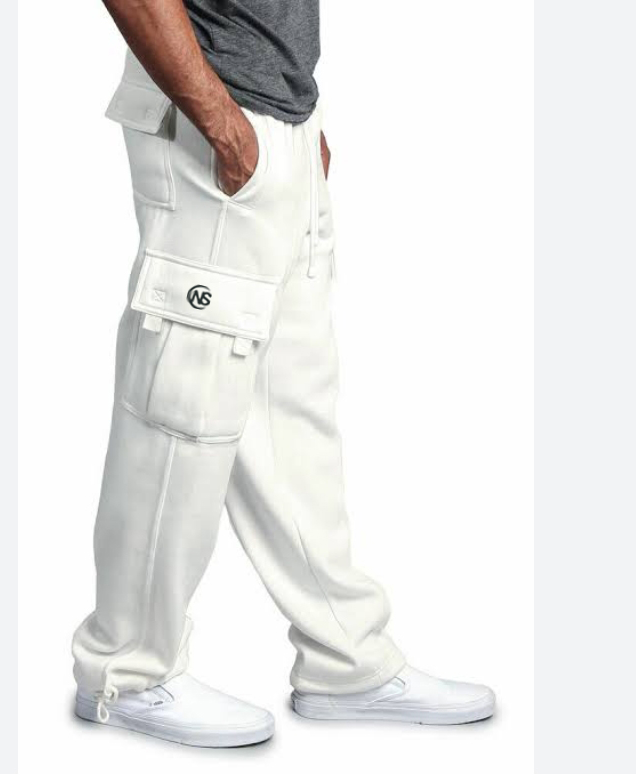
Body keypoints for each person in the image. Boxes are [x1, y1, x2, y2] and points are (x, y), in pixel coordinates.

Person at [72, 0, 495, 748]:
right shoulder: (216, 119)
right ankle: (126, 671)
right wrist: (220, 120)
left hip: (278, 121)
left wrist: (298, 123)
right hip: (210, 121)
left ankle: (346, 661)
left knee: (292, 408)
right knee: (182, 407)